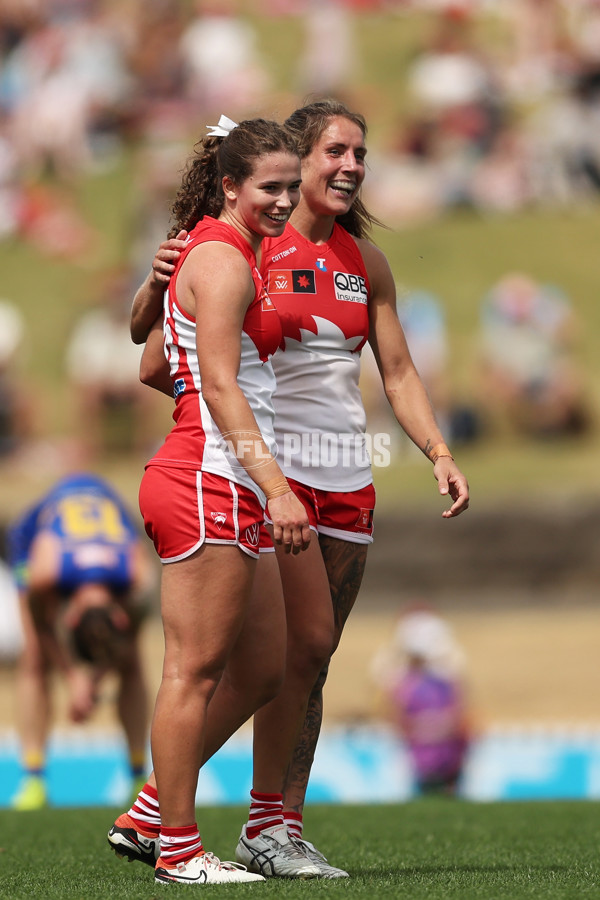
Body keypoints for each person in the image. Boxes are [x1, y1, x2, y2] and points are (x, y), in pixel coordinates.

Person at [121, 98, 470, 880]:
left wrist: (437, 449)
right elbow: (164, 363)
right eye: (335, 152)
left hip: (339, 475)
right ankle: (200, 822)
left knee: (302, 654)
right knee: (222, 662)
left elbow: (401, 371)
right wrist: (222, 437)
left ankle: (218, 818)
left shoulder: (361, 260)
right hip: (258, 477)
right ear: (288, 165)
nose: (350, 165)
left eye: (361, 153)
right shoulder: (241, 250)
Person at [109, 114, 311, 886]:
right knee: (191, 671)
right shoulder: (224, 259)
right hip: (208, 477)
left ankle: (152, 814)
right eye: (273, 187)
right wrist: (279, 487)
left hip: (219, 473)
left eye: (293, 186)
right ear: (230, 186)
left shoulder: (216, 250)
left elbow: (156, 363)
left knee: (261, 666)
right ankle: (180, 852)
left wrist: (164, 297)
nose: (287, 200)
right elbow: (218, 384)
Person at [6, 472, 156, 811]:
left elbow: (125, 641)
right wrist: (74, 679)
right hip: (35, 532)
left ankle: (136, 775)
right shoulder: (44, 573)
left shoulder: (139, 582)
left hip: (110, 509)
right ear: (68, 617)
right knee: (33, 658)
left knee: (131, 661)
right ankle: (33, 777)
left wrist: (92, 681)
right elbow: (40, 630)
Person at [371, 605, 472, 796]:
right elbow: (391, 713)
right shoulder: (401, 681)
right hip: (413, 752)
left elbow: (460, 711)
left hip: (444, 751)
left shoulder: (445, 679)